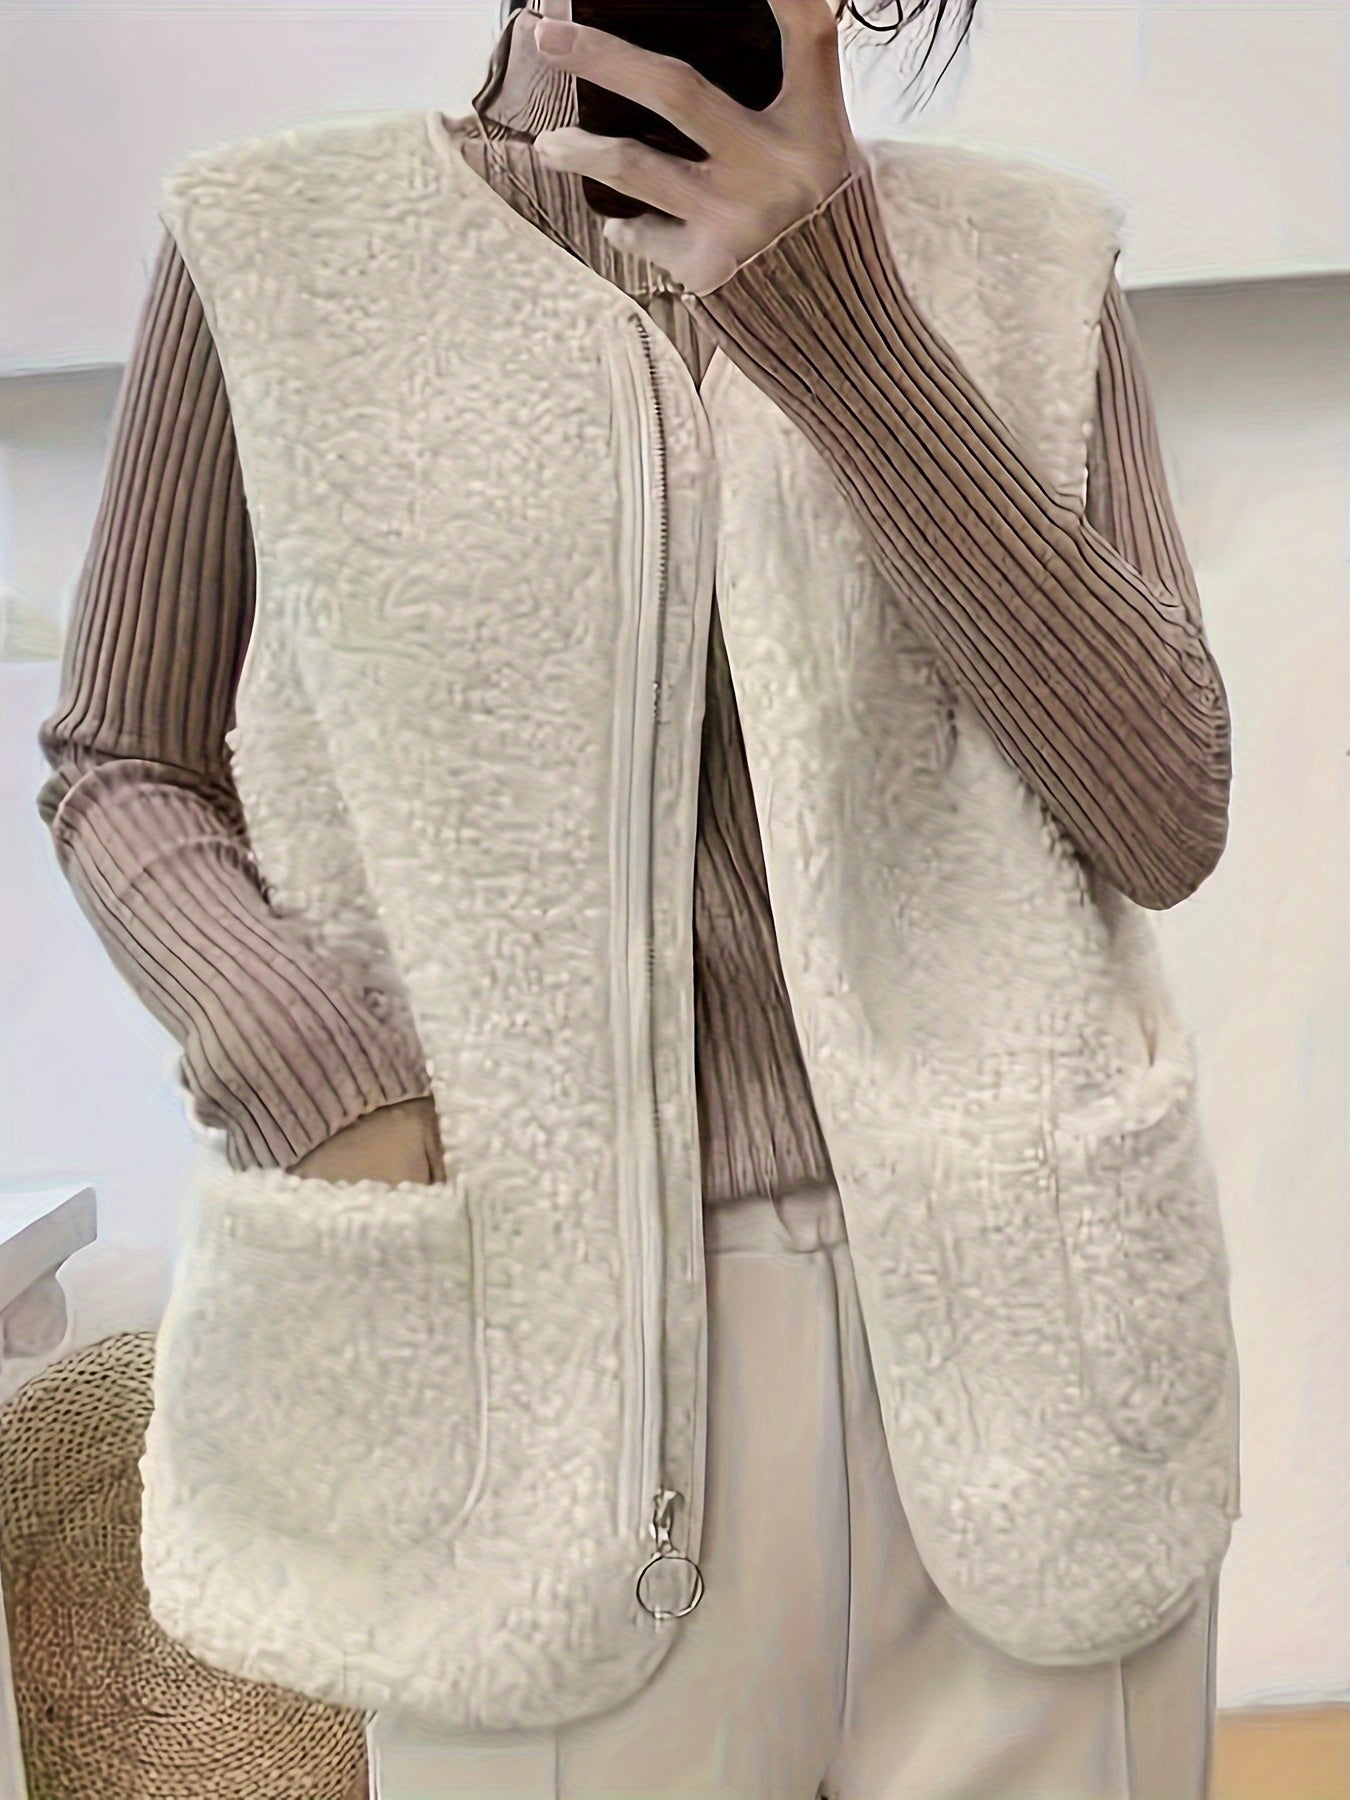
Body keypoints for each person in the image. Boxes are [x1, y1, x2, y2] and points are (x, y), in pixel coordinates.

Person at [36, 0, 1236, 1793]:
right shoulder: (275, 248)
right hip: (528, 1353)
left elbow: (1161, 811)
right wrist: (322, 1081)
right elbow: (122, 758)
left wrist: (839, 322)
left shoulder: (1026, 260)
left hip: (1023, 1324)